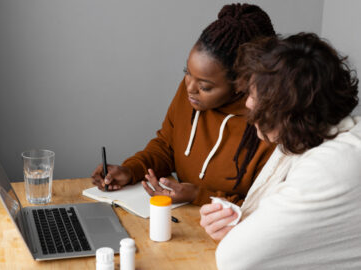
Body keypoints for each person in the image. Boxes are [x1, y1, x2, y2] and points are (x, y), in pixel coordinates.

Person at [200, 33, 361, 269]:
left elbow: (234, 259)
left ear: (286, 111)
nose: (247, 104)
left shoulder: (330, 167)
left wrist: (238, 235)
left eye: (255, 96)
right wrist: (237, 226)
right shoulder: (315, 139)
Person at [91, 3, 276, 205]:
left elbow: (264, 210)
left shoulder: (269, 125)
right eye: (187, 73)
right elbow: (166, 146)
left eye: (205, 86)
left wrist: (199, 196)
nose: (190, 88)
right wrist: (131, 170)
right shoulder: (192, 95)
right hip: (180, 219)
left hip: (226, 231)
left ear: (241, 83)